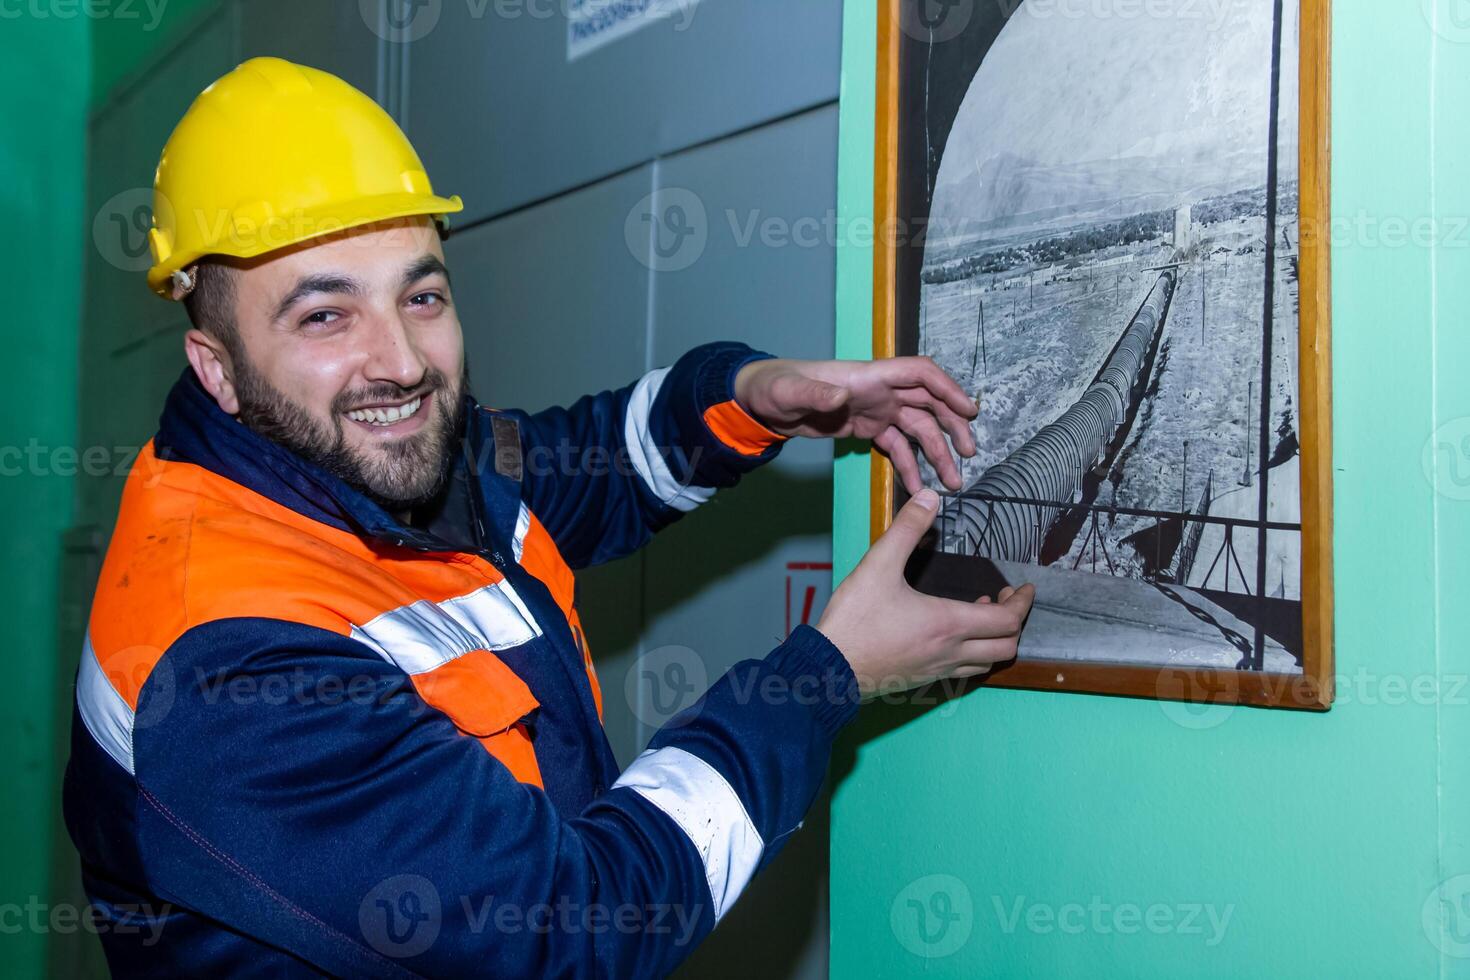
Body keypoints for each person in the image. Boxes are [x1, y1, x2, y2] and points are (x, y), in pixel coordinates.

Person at [63, 57, 1035, 978]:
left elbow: (589, 462)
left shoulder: (366, 458)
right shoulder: (232, 662)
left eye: (423, 293)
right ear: (216, 369)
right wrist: (824, 677)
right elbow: (574, 932)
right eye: (325, 314)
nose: (400, 360)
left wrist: (756, 397)